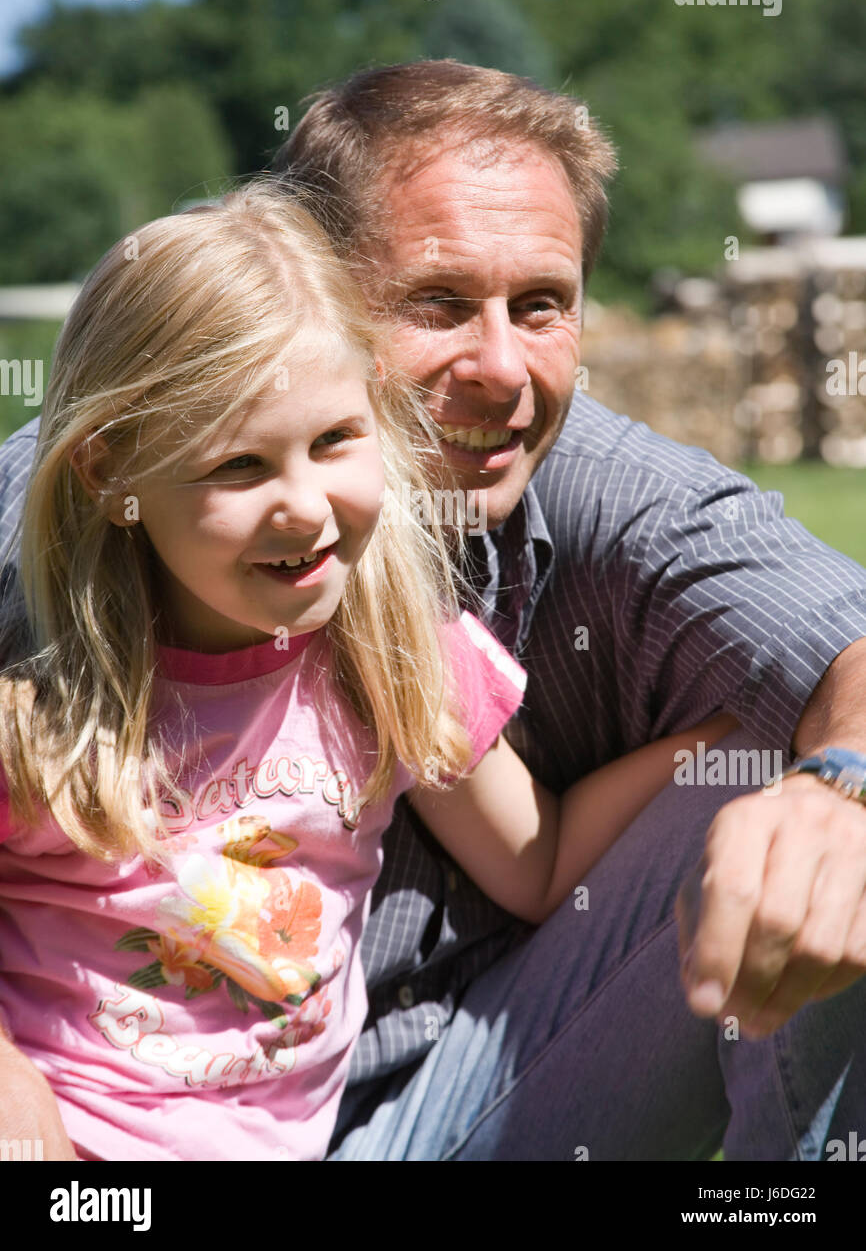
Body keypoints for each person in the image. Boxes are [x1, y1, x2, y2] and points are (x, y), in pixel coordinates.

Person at [2, 61, 866, 1160]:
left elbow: (545, 852)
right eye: (438, 301)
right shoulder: (64, 547)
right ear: (321, 300)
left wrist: (796, 770)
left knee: (824, 821)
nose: (501, 368)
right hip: (93, 1149)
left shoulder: (404, 646)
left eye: (541, 304)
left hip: (439, 1108)